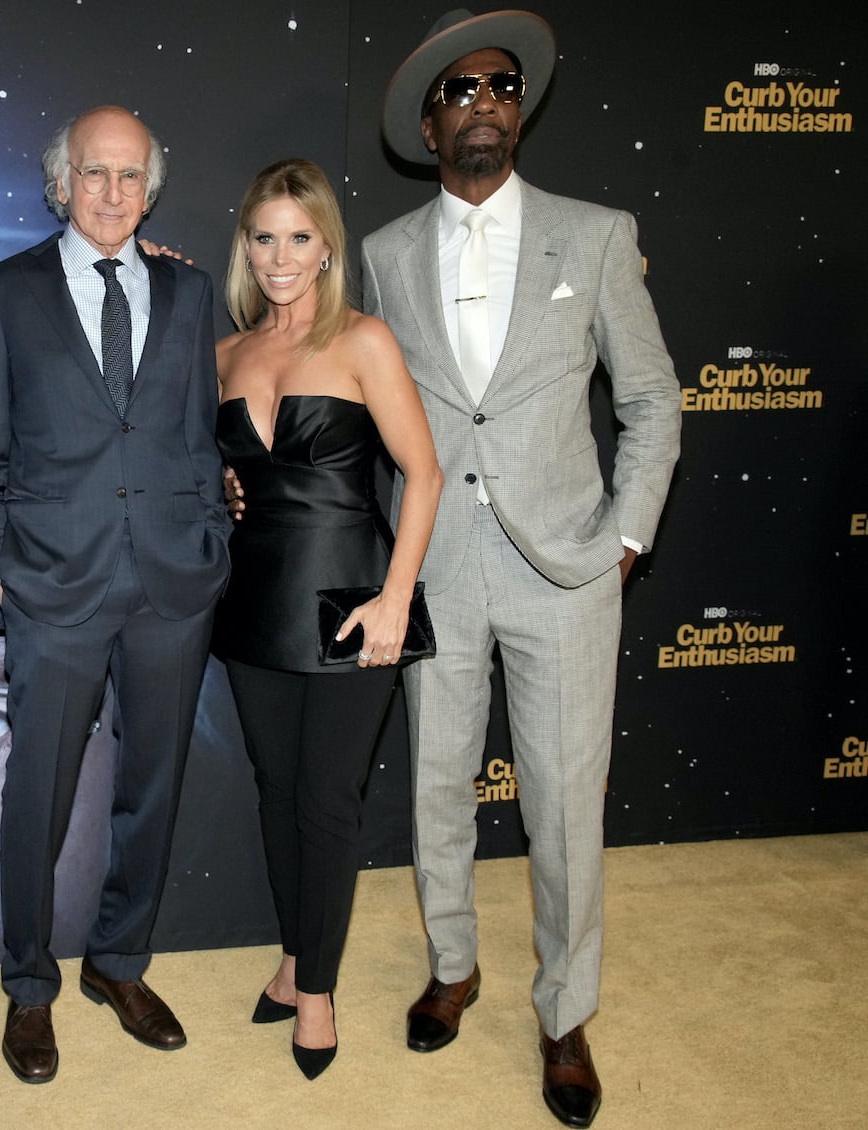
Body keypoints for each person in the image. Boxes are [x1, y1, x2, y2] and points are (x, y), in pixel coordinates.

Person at [362, 11, 681, 1127]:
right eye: (459, 89)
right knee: (437, 785)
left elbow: (652, 400)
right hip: (437, 564)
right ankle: (452, 966)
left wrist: (625, 540)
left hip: (567, 569)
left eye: (501, 84)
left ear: (522, 106)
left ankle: (564, 1011)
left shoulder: (595, 236)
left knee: (564, 803)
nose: (484, 101)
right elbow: (359, 400)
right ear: (429, 124)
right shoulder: (385, 254)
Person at [0, 105, 230, 1084]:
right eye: (92, 172)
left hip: (171, 578)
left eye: (128, 176)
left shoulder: (189, 290)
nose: (110, 192)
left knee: (152, 787)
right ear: (60, 182)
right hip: (51, 578)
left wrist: (210, 534)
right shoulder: (2, 292)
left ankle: (119, 963)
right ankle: (29, 985)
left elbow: (196, 431)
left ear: (148, 190)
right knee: (36, 793)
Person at [212, 159, 442, 1081]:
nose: (280, 256)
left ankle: (318, 992)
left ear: (327, 248)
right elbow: (219, 467)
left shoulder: (364, 341)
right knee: (276, 792)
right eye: (264, 237)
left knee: (327, 802)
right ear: (246, 246)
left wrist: (397, 596)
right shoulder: (226, 353)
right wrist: (226, 480)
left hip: (352, 602)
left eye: (298, 238)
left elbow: (423, 473)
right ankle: (293, 956)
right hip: (253, 603)